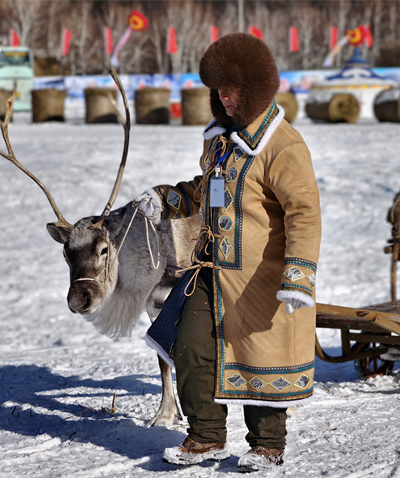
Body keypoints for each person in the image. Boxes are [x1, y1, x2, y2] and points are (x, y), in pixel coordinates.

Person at [134, 33, 321, 473]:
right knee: (189, 346)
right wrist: (169, 198)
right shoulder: (221, 142)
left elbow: (304, 213)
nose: (224, 97)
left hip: (262, 278)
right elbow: (208, 191)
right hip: (210, 271)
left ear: (255, 88)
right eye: (218, 89)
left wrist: (299, 275)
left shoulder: (283, 145)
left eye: (232, 89)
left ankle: (268, 444)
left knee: (261, 354)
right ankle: (205, 436)